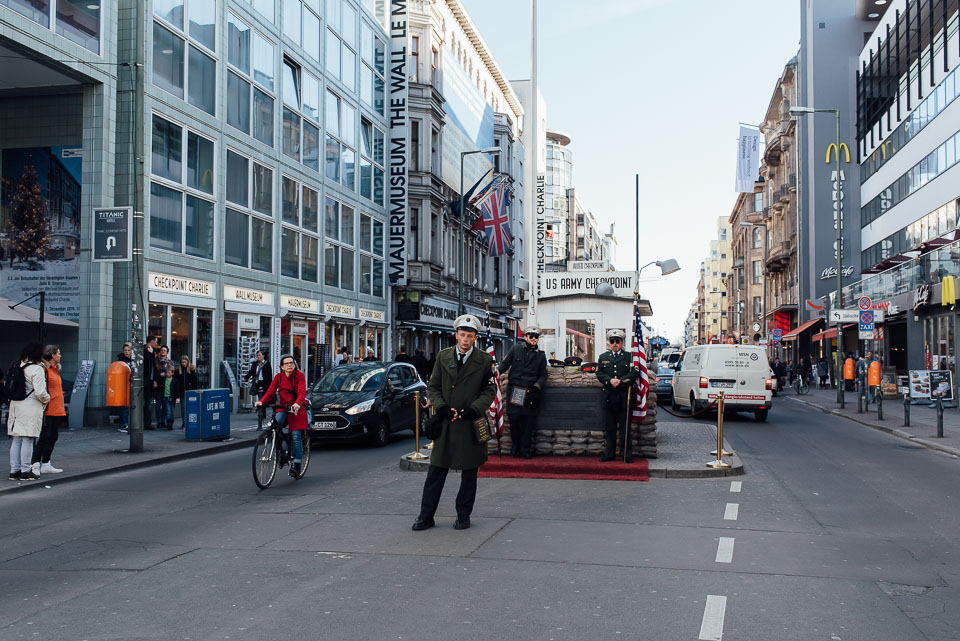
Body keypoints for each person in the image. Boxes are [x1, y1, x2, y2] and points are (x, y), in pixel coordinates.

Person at [412, 314, 497, 532]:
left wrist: (473, 409)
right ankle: (425, 516)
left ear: (475, 337)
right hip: (446, 423)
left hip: (470, 423)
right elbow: (434, 386)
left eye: (470, 336)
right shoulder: (443, 356)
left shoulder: (484, 360)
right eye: (462, 335)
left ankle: (463, 515)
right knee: (436, 471)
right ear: (456, 335)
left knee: (469, 473)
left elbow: (490, 389)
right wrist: (440, 407)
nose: (466, 339)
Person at [498, 324, 548, 458]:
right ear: (525, 337)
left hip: (531, 392)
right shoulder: (515, 349)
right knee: (514, 419)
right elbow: (505, 364)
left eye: (536, 337)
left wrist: (536, 386)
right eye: (531, 336)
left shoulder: (541, 356)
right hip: (515, 390)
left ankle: (525, 449)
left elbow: (543, 374)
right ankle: (515, 447)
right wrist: (494, 373)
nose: (534, 339)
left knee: (528, 422)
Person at [254, 354, 308, 477]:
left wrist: (297, 404)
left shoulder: (300, 376)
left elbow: (302, 392)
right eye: (287, 363)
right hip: (283, 407)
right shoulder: (278, 377)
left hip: (297, 409)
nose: (290, 365)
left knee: (295, 435)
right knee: (274, 426)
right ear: (282, 367)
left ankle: (297, 464)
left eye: (292, 363)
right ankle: (280, 451)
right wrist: (261, 401)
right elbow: (270, 392)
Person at [595, 329, 639, 463]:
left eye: (617, 341)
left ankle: (626, 454)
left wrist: (620, 381)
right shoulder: (603, 357)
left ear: (622, 343)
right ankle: (609, 453)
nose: (615, 344)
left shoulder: (629, 357)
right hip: (609, 397)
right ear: (609, 343)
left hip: (624, 396)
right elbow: (599, 373)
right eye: (612, 341)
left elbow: (634, 373)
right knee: (610, 428)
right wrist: (609, 380)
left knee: (625, 428)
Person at [8, 343, 50, 481]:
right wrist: (47, 399)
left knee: (16, 438)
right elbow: (40, 392)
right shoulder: (36, 369)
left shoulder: (17, 366)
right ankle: (26, 471)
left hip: (15, 405)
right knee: (28, 438)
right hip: (30, 405)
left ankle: (14, 470)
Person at [31, 344, 66, 476]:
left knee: (53, 436)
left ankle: (45, 462)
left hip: (56, 407)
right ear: (52, 355)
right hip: (48, 407)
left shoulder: (54, 369)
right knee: (46, 436)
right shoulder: (45, 370)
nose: (60, 356)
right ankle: (35, 463)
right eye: (58, 353)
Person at [243, 350, 271, 429]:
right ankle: (261, 412)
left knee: (263, 398)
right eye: (257, 355)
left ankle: (262, 413)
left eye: (259, 355)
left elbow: (269, 376)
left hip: (264, 383)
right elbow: (251, 372)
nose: (258, 357)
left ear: (263, 356)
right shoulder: (255, 364)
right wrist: (246, 378)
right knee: (259, 397)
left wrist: (270, 385)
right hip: (257, 382)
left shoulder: (267, 364)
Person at [173, 355, 198, 429]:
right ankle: (184, 422)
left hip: (189, 391)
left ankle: (189, 422)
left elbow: (194, 381)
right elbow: (176, 382)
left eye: (185, 362)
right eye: (182, 362)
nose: (184, 363)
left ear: (187, 362)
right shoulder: (178, 371)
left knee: (189, 408)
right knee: (183, 408)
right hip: (181, 392)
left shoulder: (191, 370)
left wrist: (193, 390)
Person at [116, 342, 133, 433]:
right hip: (123, 385)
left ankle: (126, 422)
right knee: (124, 405)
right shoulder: (121, 360)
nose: (126, 352)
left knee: (129, 405)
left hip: (130, 385)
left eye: (128, 350)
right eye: (125, 350)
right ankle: (123, 423)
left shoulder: (133, 360)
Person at [143, 336, 159, 430]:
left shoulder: (152, 352)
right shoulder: (145, 351)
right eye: (155, 342)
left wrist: (154, 380)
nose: (156, 344)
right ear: (151, 341)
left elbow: (153, 367)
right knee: (147, 403)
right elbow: (146, 365)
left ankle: (147, 422)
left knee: (148, 402)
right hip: (146, 381)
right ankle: (145, 422)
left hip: (150, 381)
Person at [160, 365, 176, 430]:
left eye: (169, 373)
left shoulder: (175, 380)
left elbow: (176, 389)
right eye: (166, 372)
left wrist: (177, 397)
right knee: (168, 410)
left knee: (172, 410)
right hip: (166, 396)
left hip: (172, 397)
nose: (167, 374)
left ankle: (171, 422)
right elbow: (161, 387)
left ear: (172, 373)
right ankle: (169, 423)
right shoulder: (164, 379)